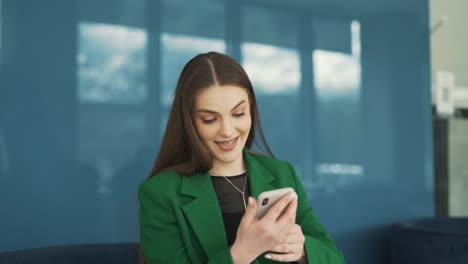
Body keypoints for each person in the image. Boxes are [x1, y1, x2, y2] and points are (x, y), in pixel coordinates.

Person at [138, 52, 345, 264]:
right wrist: (241, 253)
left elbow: (335, 259)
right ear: (189, 122)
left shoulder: (281, 173)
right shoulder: (160, 193)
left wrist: (302, 250)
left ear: (251, 111)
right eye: (209, 119)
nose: (227, 131)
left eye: (238, 114)